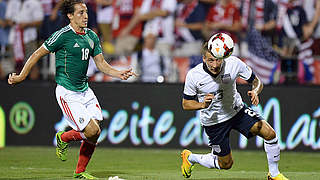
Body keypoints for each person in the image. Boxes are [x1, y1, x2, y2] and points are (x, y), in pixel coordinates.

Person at [8, 0, 136, 179]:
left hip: (85, 90)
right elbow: (37, 53)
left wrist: (118, 73)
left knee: (95, 133)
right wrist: (21, 76)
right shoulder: (62, 35)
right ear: (70, 15)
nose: (85, 16)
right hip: (68, 93)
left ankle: (79, 171)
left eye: (86, 12)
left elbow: (101, 64)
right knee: (91, 131)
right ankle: (64, 138)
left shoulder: (91, 36)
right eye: (80, 13)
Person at [180, 33, 289, 180]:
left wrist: (256, 91)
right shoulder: (194, 75)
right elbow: (186, 104)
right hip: (214, 121)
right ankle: (190, 158)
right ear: (204, 59)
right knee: (226, 164)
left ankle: (274, 174)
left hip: (237, 110)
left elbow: (257, 81)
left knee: (269, 133)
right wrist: (202, 104)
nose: (214, 65)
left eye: (218, 60)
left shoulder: (233, 63)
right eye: (210, 60)